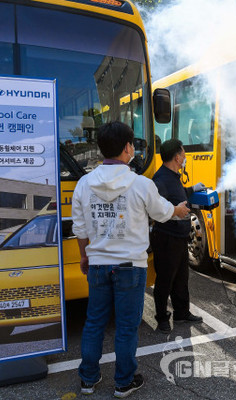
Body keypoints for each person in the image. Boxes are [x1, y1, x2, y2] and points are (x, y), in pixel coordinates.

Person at [72, 122, 190, 398]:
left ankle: (87, 380)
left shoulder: (84, 184)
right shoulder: (140, 184)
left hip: (99, 264)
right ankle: (123, 382)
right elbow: (163, 212)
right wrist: (180, 210)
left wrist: (84, 256)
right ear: (127, 148)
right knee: (126, 328)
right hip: (130, 268)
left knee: (94, 324)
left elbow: (79, 228)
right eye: (132, 145)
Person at [151, 138, 206, 334]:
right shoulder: (160, 181)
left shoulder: (173, 176)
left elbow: (180, 195)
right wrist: (175, 213)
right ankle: (162, 318)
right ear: (176, 157)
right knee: (165, 279)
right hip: (166, 238)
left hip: (180, 237)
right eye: (183, 154)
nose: (185, 157)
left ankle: (182, 313)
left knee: (181, 278)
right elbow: (156, 209)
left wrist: (193, 190)